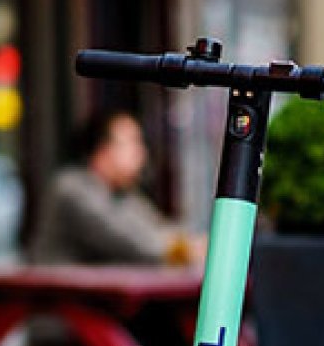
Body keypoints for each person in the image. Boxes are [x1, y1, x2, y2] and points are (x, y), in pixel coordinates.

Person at [30, 110, 199, 267]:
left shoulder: (121, 192)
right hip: (59, 295)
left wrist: (189, 244)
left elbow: (156, 229)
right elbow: (136, 243)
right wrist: (189, 248)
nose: (141, 153)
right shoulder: (71, 189)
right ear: (102, 150)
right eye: (133, 142)